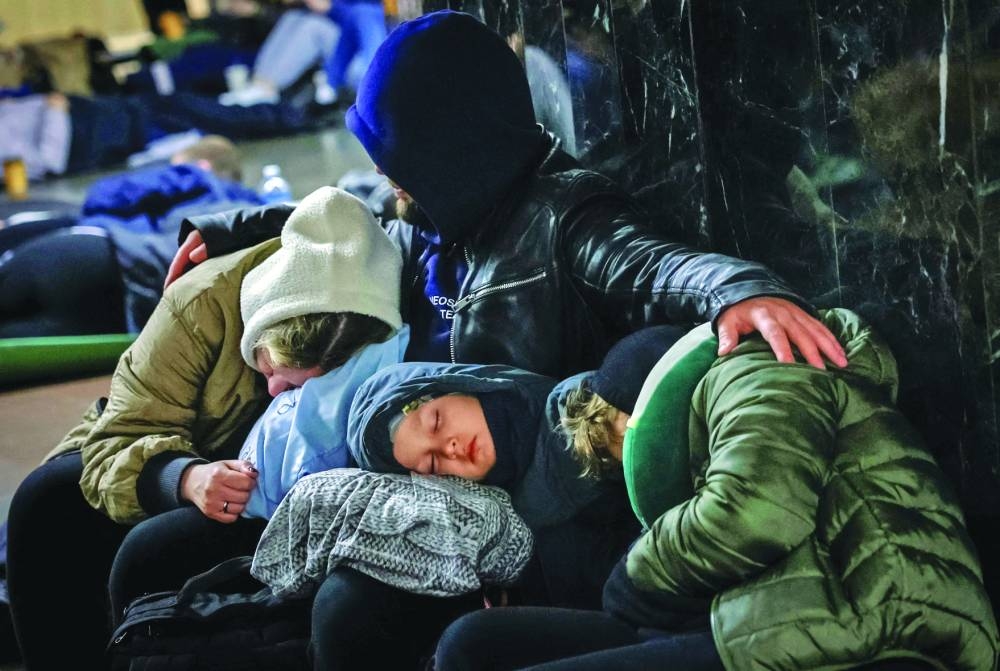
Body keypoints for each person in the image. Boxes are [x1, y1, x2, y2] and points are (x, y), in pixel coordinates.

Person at [166, 9, 847, 380]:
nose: (385, 173)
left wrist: (741, 291)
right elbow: (346, 213)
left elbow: (657, 263)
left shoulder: (564, 217)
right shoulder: (429, 210)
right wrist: (232, 229)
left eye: (397, 158)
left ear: (452, 148)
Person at [432, 311, 1000, 671]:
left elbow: (756, 510)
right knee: (474, 644)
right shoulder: (727, 403)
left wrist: (636, 578)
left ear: (647, 406)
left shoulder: (758, 372)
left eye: (627, 441)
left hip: (881, 618)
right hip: (785, 599)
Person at [5, 186, 404, 670]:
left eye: (299, 385)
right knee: (47, 500)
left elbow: (377, 205)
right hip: (152, 451)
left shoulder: (373, 305)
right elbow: (116, 438)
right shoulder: (197, 304)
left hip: (263, 487)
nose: (275, 390)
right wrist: (184, 478)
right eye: (269, 367)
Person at [0, 135, 263, 337]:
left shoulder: (191, 175)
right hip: (129, 302)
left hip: (94, 253)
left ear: (202, 164)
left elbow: (104, 196)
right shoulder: (253, 212)